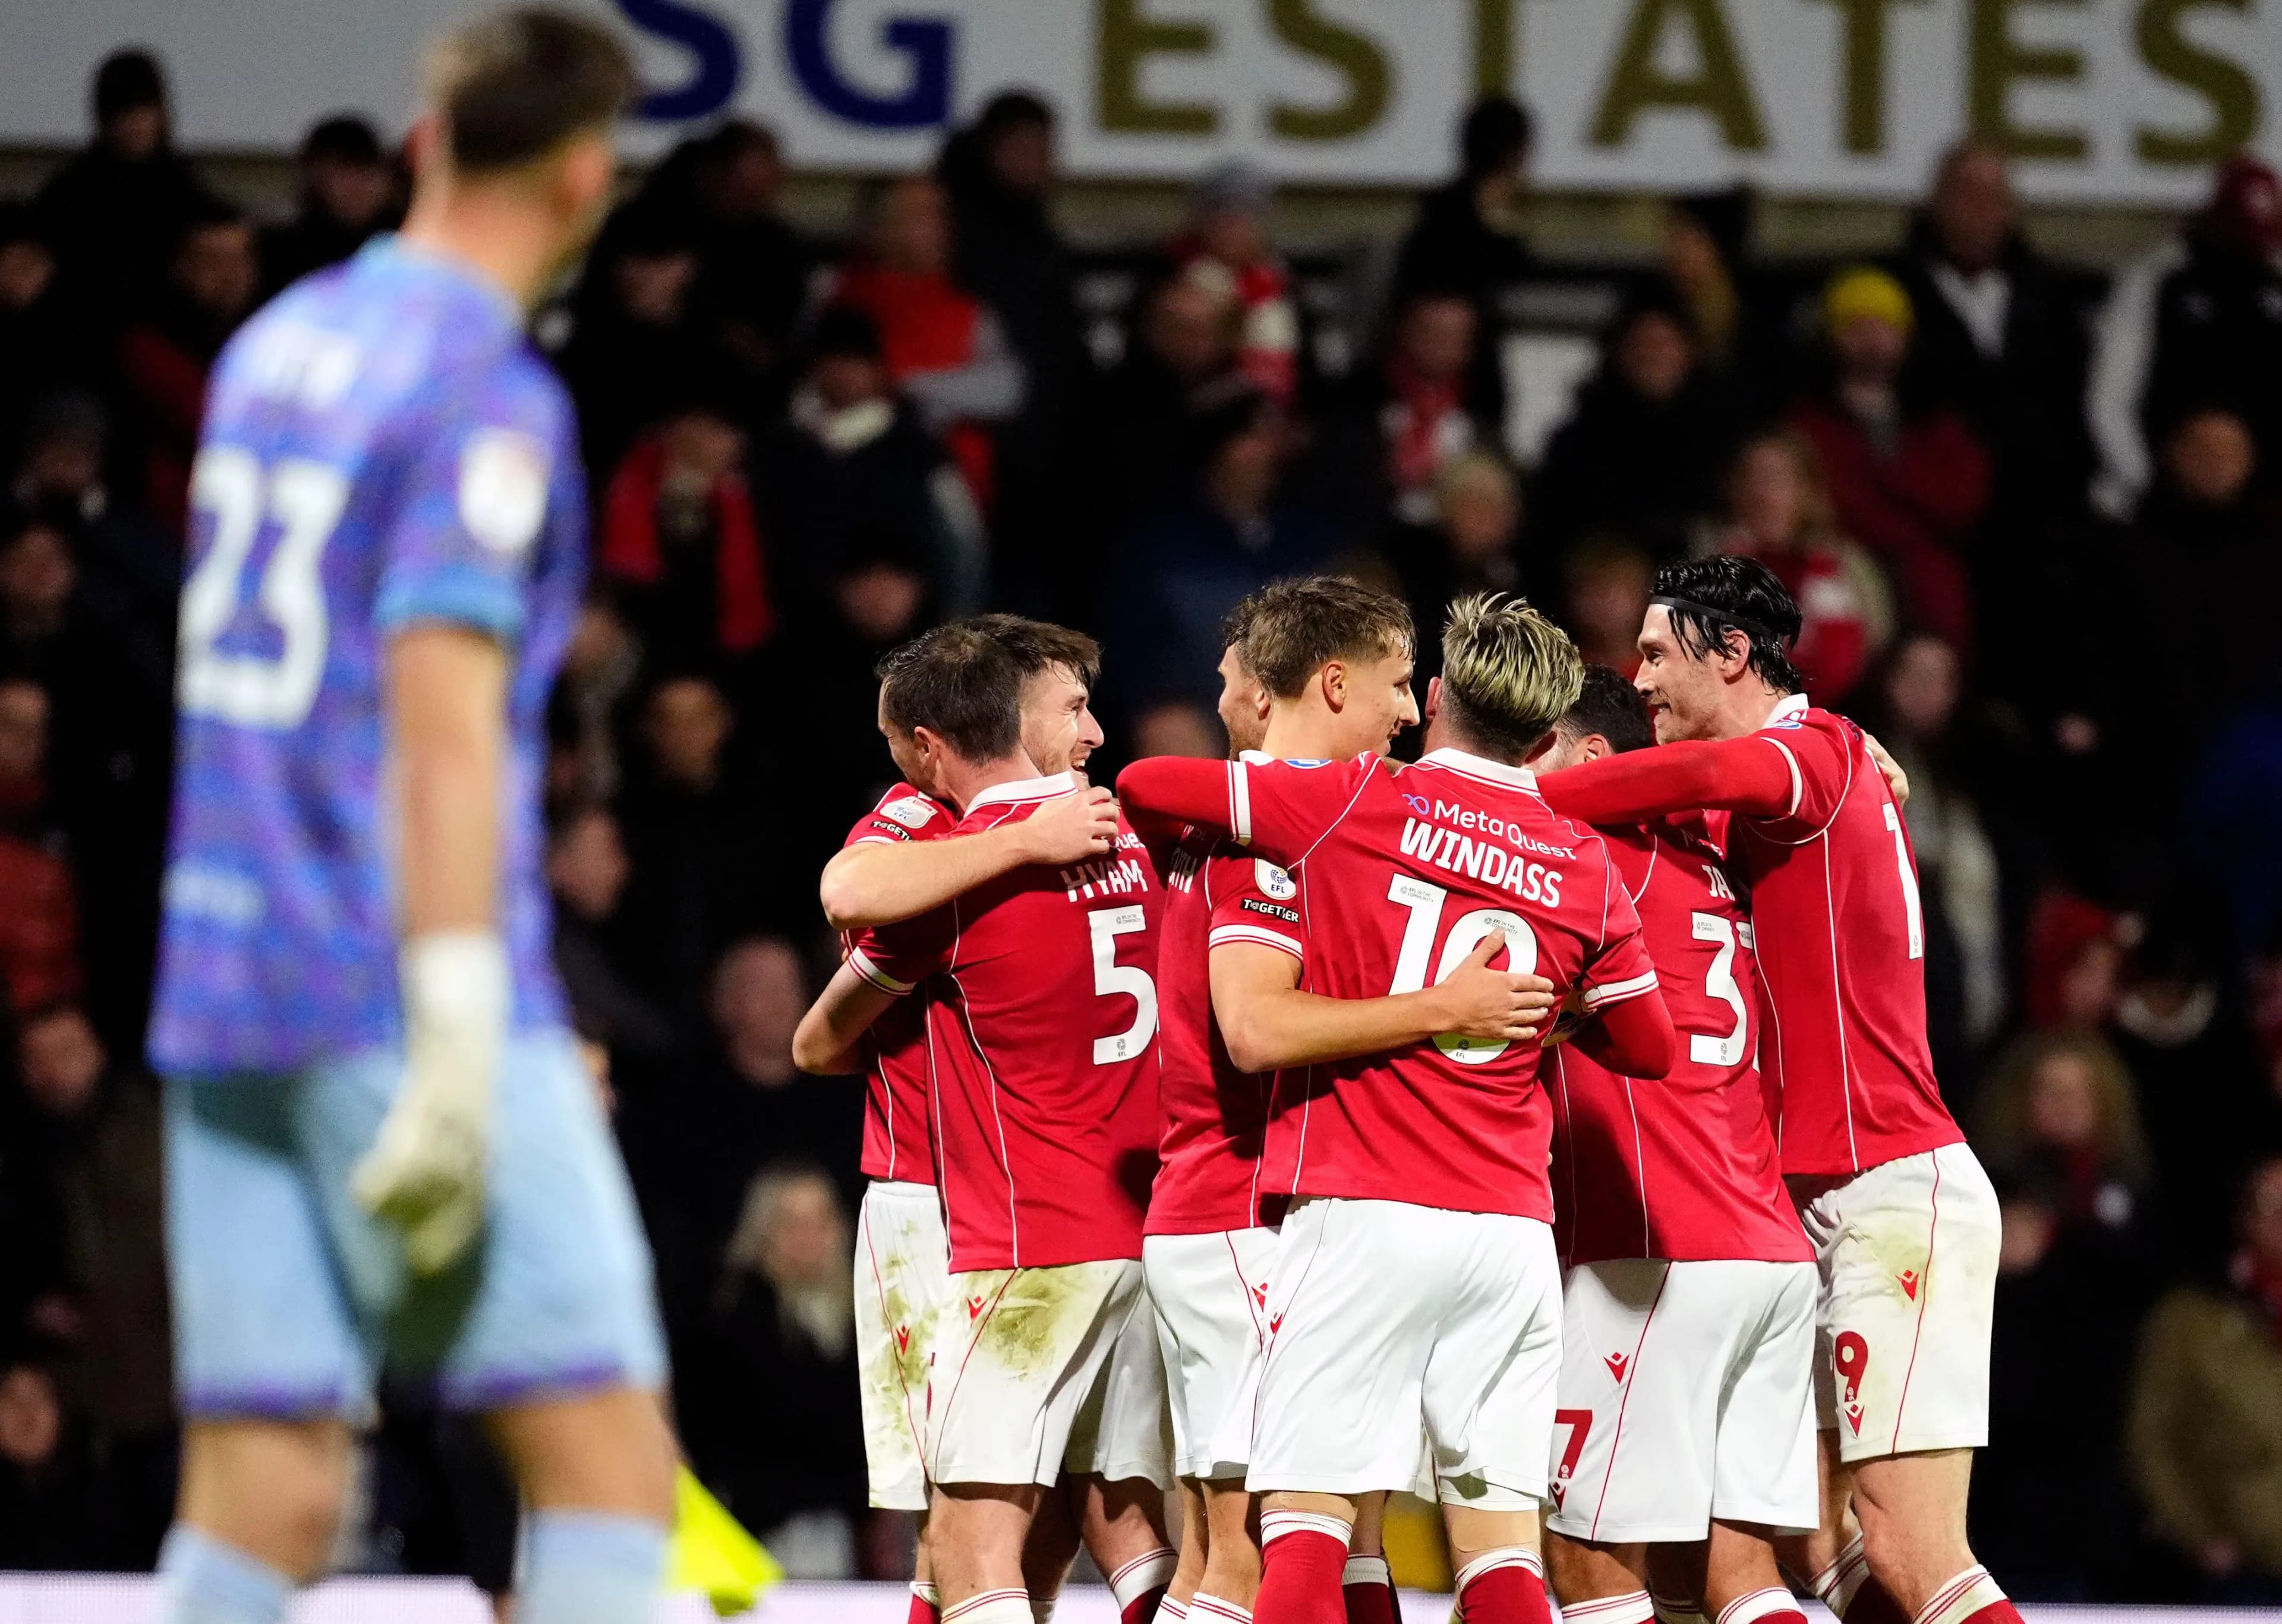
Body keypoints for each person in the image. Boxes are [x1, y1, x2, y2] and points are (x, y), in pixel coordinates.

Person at [143, 21, 677, 1624]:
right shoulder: (481, 390)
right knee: (605, 1464)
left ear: (424, 133)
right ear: (588, 176)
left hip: (222, 975)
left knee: (270, 1481)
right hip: (392, 970)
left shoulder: (280, 341)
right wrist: (457, 1033)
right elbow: (438, 733)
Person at [1120, 594, 1675, 1624]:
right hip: (1512, 1227)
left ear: (1435, 698)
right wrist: (1548, 1014)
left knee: (1302, 1531)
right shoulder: (1582, 861)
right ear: (1548, 736)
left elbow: (1150, 784)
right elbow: (1653, 1048)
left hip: (1367, 1205)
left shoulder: (1355, 798)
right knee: (1501, 1548)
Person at [1530, 558, 2016, 1624]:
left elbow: (1683, 782)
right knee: (1808, 1545)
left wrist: (1493, 795)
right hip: (1806, 1207)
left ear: (1733, 654)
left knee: (1912, 1546)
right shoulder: (1822, 763)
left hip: (1892, 1187)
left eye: (1657, 651)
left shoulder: (1802, 754)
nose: (1639, 672)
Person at [793, 623, 1177, 1624]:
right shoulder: (1129, 830)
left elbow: (822, 1021)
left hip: (994, 1219)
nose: (1093, 729)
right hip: (1119, 1215)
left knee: (969, 1528)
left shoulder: (966, 872)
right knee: (1091, 1504)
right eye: (1071, 706)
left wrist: (1008, 844)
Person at [1528, 666, 1818, 1624]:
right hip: (1769, 1251)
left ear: (1595, 760)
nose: (1525, 772)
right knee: (1736, 1582)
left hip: (1658, 1253)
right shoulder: (1706, 857)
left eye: (1540, 748)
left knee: (1584, 1566)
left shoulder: (1587, 854)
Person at [1788, 269, 1990, 650]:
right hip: (1846, 571)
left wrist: (1891, 488)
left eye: (1885, 326)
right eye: (1857, 326)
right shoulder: (1809, 423)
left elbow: (1964, 499)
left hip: (1929, 581)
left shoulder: (1936, 420)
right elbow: (1824, 502)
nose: (1872, 339)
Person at [2088, 153, 2282, 520]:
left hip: (2262, 507)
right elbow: (2110, 394)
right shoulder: (2157, 279)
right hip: (2162, 500)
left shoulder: (2275, 283)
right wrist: (2142, 478)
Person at [2126, 1158, 2282, 1604]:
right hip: (2242, 1571)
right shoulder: (2192, 1319)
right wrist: (2200, 1536)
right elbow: (2151, 1436)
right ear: (2244, 1217)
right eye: (2271, 1203)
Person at [824, 175, 1026, 513]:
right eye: (922, 216)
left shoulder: (969, 311)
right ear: (880, 228)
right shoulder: (835, 296)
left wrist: (903, 385)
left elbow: (1007, 391)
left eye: (941, 215)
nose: (941, 227)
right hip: (842, 486)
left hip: (947, 496)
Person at [1531, 282, 1736, 566]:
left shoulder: (1726, 439)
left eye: (1664, 344)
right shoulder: (1578, 445)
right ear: (1618, 352)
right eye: (1641, 344)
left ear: (1689, 352)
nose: (1653, 356)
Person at [1700, 431, 1892, 706]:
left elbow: (1873, 649)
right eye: (1751, 478)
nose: (1761, 493)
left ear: (1807, 490)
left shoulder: (1847, 567)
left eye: (1776, 479)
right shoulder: (1709, 564)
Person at [31, 48, 214, 323]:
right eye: (125, 115)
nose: (135, 126)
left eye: (144, 112)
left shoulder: (182, 185)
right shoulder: (73, 189)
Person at [115, 198, 262, 534]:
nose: (231, 274)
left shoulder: (270, 331)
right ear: (181, 266)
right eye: (213, 260)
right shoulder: (147, 342)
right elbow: (212, 420)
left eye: (241, 258)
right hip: (167, 526)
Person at [260, 116, 402, 296]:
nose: (358, 184)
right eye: (344, 170)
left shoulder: (408, 245)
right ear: (314, 176)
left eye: (367, 170)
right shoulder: (280, 251)